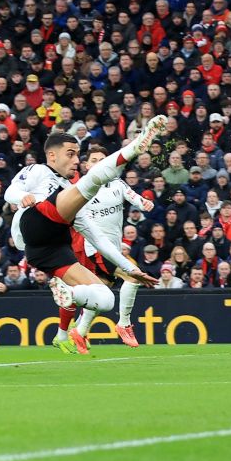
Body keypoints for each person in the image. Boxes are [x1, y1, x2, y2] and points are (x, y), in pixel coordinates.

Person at [4, 118, 165, 354]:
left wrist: (130, 269)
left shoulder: (71, 198)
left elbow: (99, 239)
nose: (75, 160)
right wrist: (22, 197)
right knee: (91, 182)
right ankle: (135, 146)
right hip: (34, 222)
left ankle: (69, 295)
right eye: (70, 154)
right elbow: (10, 191)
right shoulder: (39, 171)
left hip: (50, 251)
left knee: (106, 298)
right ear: (52, 156)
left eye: (77, 154)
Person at [72, 145, 155, 348]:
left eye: (103, 159)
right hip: (95, 248)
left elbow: (134, 198)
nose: (99, 163)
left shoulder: (118, 184)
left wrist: (144, 202)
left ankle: (79, 332)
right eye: (94, 160)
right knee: (133, 277)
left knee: (102, 292)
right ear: (86, 165)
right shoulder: (82, 189)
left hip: (113, 249)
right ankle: (124, 323)